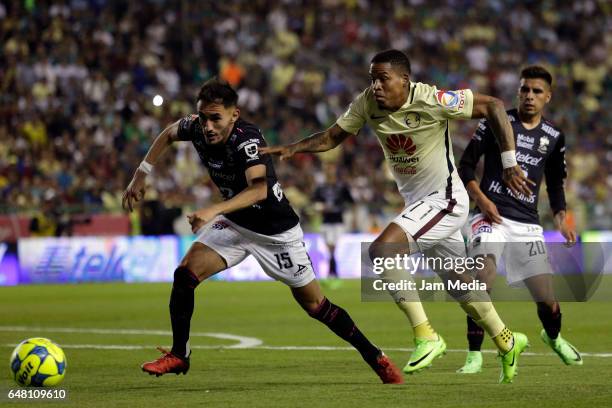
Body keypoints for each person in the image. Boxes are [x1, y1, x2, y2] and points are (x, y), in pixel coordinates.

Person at [262, 49, 532, 383]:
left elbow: (491, 105)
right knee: (462, 287)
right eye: (372, 78)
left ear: (404, 80)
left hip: (445, 199)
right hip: (420, 206)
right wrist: (293, 148)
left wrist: (509, 161)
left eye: (383, 79)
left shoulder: (432, 98)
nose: (375, 85)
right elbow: (333, 136)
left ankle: (426, 336)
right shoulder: (366, 103)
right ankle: (507, 341)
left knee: (382, 250)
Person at [122, 78, 403, 384]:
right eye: (203, 117)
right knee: (185, 275)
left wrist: (214, 209)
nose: (208, 126)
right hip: (236, 222)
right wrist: (141, 174)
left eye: (216, 118)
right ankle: (179, 355)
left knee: (317, 306)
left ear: (234, 115)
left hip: (276, 233)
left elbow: (259, 191)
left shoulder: (248, 140)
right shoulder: (196, 127)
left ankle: (375, 356)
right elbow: (168, 133)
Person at [456, 65, 582, 373]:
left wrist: (561, 217)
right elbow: (466, 166)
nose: (529, 96)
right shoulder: (498, 121)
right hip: (491, 216)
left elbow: (555, 183)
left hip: (527, 223)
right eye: (524, 89)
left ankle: (553, 338)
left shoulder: (553, 136)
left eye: (536, 91)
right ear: (518, 92)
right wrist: (482, 201)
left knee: (547, 301)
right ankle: (474, 354)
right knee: (480, 279)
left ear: (547, 97)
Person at [312, 163, 355, 288]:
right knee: (330, 250)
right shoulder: (321, 188)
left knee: (332, 248)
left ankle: (333, 275)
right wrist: (320, 207)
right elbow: (314, 202)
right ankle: (332, 274)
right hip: (325, 221)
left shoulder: (342, 187)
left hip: (337, 221)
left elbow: (351, 202)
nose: (330, 174)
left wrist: (338, 208)